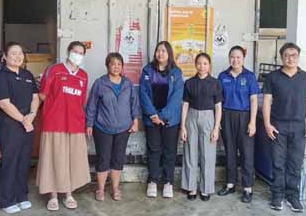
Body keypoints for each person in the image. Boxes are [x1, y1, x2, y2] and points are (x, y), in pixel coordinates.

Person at [262, 42, 306, 212]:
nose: (290, 58)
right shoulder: (273, 77)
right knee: (278, 162)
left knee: (295, 162)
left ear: (298, 57)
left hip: (298, 126)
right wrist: (267, 124)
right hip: (278, 125)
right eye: (287, 55)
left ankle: (292, 196)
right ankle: (277, 195)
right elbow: (266, 102)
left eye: (294, 55)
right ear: (282, 57)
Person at [37, 41, 91, 211]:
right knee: (53, 158)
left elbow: (82, 101)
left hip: (75, 123)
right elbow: (42, 95)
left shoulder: (83, 75)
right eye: (75, 51)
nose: (78, 55)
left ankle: (68, 194)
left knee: (71, 160)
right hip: (55, 122)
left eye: (81, 53)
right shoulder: (54, 70)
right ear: (68, 52)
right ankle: (53, 195)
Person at [0, 42, 40, 214]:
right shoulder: (1, 77)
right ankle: (7, 200)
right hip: (9, 125)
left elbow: (35, 97)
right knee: (10, 161)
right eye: (13, 53)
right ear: (5, 56)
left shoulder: (27, 75)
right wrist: (24, 120)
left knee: (24, 161)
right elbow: (4, 104)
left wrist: (32, 114)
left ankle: (22, 196)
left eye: (20, 53)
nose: (18, 56)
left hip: (27, 123)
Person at [85, 52, 140, 202]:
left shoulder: (127, 84)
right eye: (113, 64)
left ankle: (115, 188)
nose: (116, 67)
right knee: (103, 159)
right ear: (107, 66)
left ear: (122, 67)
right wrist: (89, 124)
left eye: (119, 64)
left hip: (123, 128)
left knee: (118, 159)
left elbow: (134, 104)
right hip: (103, 128)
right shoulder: (100, 83)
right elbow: (91, 105)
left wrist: (135, 121)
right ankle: (101, 189)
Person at [139, 41, 184, 199]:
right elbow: (143, 93)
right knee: (154, 150)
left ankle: (168, 182)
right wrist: (153, 115)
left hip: (170, 119)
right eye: (158, 50)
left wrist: (163, 116)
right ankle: (152, 181)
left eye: (164, 51)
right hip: (151, 119)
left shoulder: (176, 72)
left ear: (169, 53)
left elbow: (177, 97)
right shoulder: (147, 70)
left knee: (169, 151)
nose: (160, 53)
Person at [217, 46, 260, 203]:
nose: (235, 60)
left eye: (238, 57)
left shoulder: (249, 76)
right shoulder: (223, 76)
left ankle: (247, 188)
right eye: (232, 57)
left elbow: (254, 100)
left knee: (246, 153)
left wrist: (253, 122)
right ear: (229, 58)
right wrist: (218, 121)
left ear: (243, 59)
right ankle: (230, 184)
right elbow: (218, 101)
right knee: (230, 151)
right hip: (227, 115)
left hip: (245, 117)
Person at [180, 53, 223, 201]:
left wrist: (216, 128)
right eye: (199, 63)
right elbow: (185, 105)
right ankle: (191, 187)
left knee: (208, 154)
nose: (202, 66)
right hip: (191, 116)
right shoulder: (189, 83)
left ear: (209, 65)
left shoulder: (215, 83)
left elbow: (218, 107)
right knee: (190, 152)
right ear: (195, 65)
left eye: (205, 63)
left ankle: (206, 189)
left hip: (209, 117)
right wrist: (182, 126)